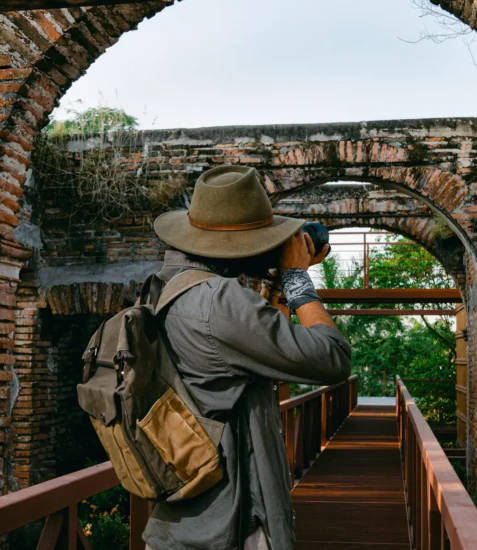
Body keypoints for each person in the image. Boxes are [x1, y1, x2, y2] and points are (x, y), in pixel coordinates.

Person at [146, 165, 352, 550]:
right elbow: (333, 358)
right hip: (232, 526)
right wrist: (296, 279)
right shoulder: (219, 303)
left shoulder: (165, 290)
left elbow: (251, 345)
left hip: (180, 525)